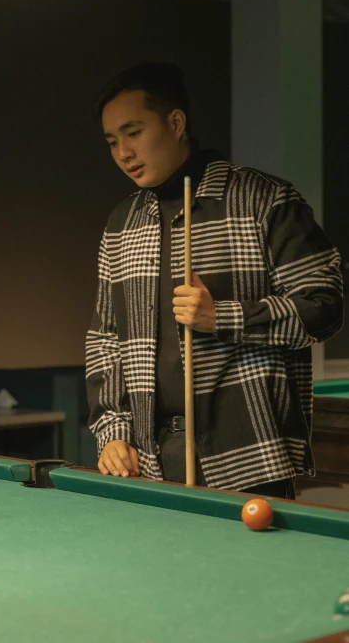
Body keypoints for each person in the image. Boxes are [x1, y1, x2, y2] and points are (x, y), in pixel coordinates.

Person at [86, 62, 343, 499]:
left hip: (251, 455)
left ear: (176, 122)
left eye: (133, 133)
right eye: (112, 141)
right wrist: (113, 430)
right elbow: (106, 338)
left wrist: (222, 316)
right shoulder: (121, 222)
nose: (123, 152)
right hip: (150, 460)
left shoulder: (264, 199)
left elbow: (324, 306)